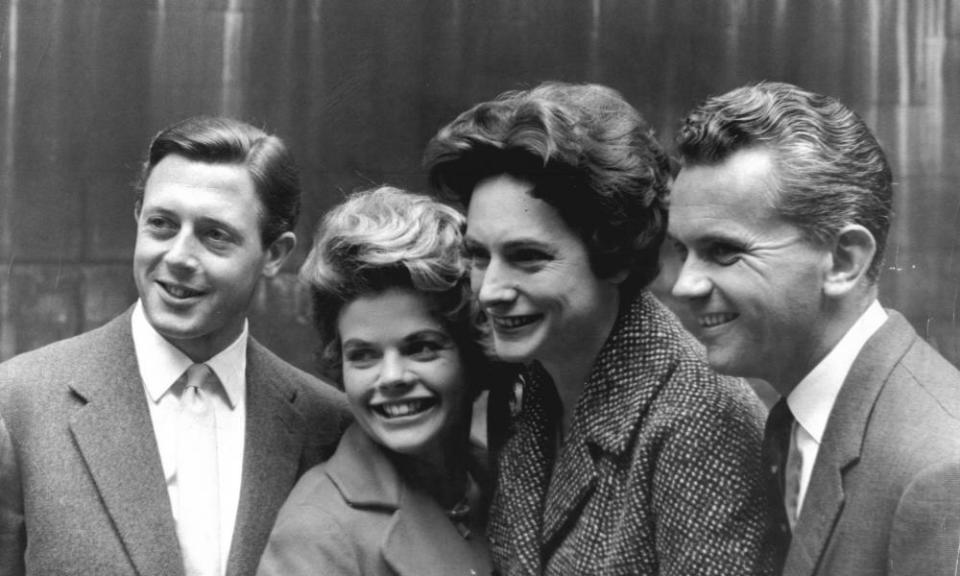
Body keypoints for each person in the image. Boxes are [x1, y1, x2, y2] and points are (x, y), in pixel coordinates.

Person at [424, 81, 771, 575]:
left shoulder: (701, 420)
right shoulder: (531, 384)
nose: (490, 290)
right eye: (480, 256)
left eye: (527, 258)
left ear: (615, 257)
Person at [0, 116, 350, 576]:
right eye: (162, 225)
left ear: (275, 254)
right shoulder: (18, 401)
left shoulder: (328, 425)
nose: (179, 257)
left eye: (215, 235)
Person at [669, 81, 960, 575]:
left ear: (843, 260)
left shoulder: (939, 469)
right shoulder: (800, 419)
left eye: (723, 252)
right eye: (682, 252)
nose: (683, 285)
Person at [256, 186, 493, 576]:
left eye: (421, 347)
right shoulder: (316, 530)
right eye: (363, 355)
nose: (392, 378)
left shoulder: (499, 476)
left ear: (471, 353)